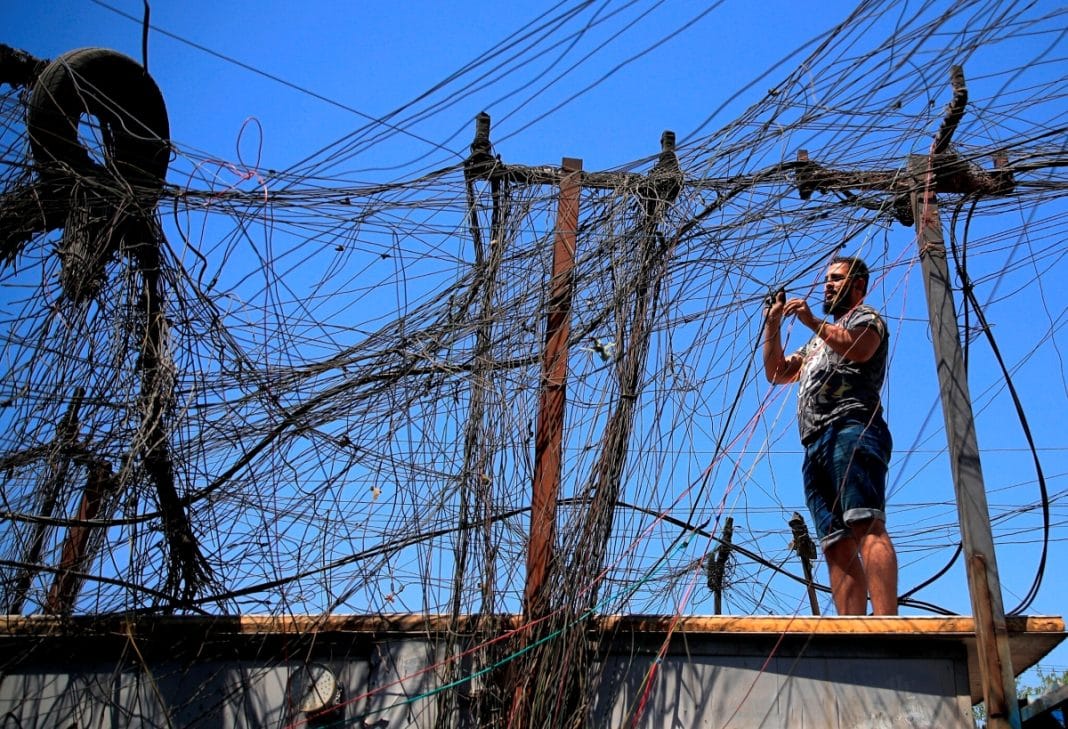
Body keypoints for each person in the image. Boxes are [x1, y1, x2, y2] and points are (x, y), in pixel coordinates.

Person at [762, 256, 898, 615]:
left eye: (837, 279)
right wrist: (772, 325)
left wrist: (810, 320)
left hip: (852, 428)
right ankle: (852, 631)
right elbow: (777, 372)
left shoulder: (866, 318)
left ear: (858, 286)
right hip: (815, 443)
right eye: (826, 279)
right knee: (835, 543)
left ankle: (887, 627)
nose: (828, 285)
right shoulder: (815, 346)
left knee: (865, 521)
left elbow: (860, 347)